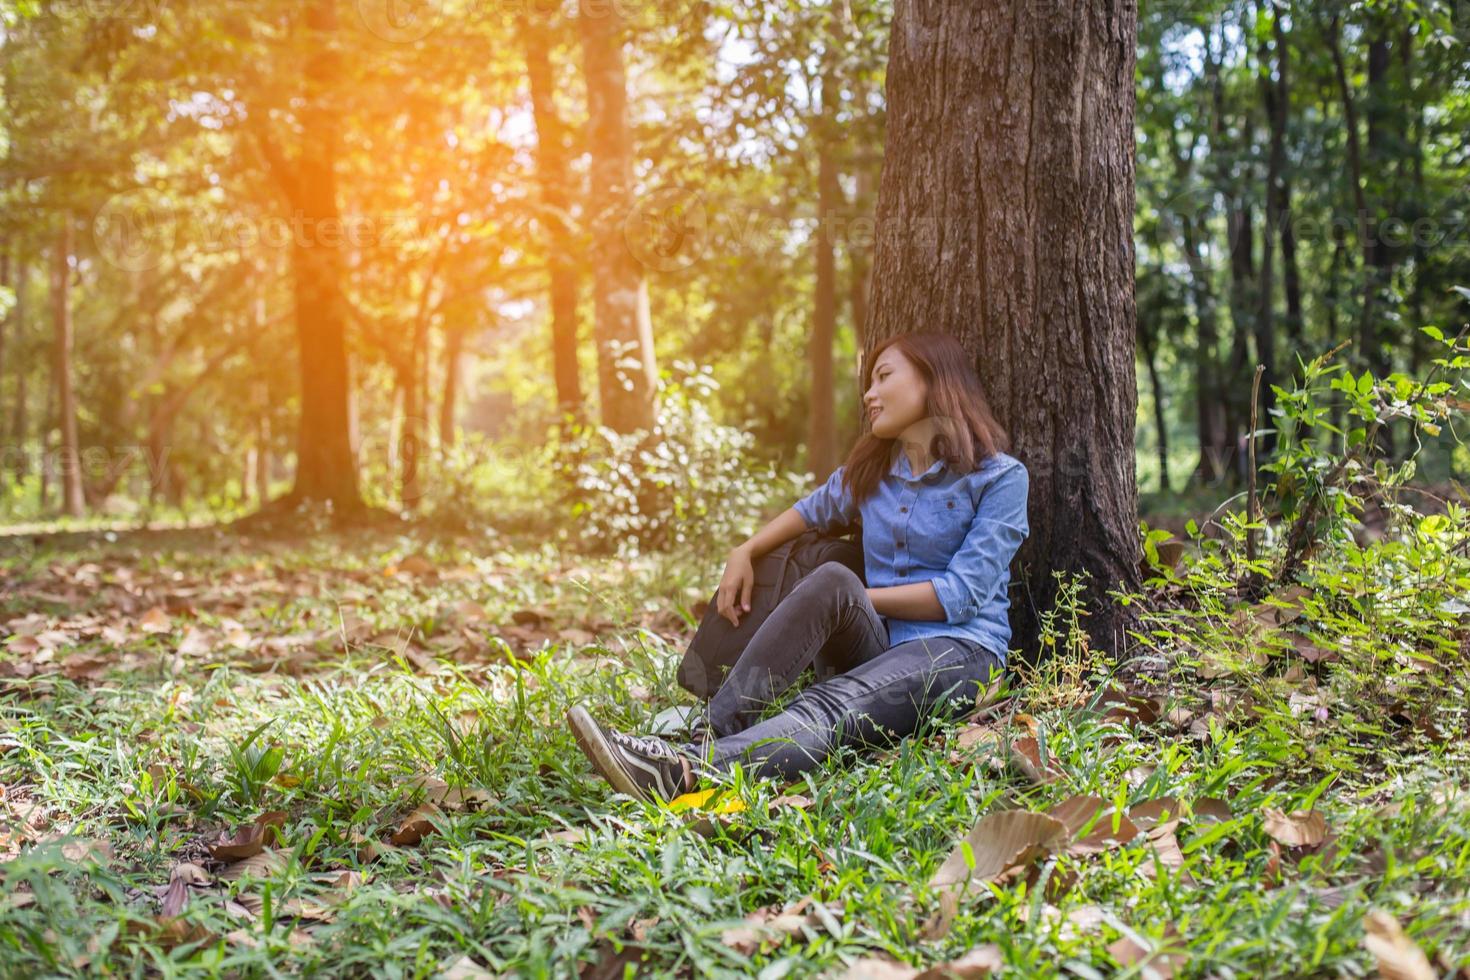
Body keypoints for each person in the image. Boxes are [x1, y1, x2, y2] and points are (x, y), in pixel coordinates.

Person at [567, 332, 1030, 804]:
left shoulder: (999, 478)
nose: (869, 395)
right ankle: (704, 734)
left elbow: (962, 594)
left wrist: (861, 599)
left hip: (961, 652)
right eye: (867, 383)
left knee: (832, 702)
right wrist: (743, 551)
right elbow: (810, 511)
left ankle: (686, 773)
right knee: (831, 580)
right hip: (880, 643)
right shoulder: (873, 474)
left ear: (934, 381)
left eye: (884, 377)